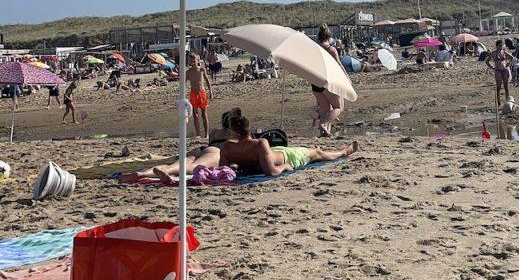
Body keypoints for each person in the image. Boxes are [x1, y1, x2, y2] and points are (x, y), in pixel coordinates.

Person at [121, 115, 358, 183]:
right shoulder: (261, 143)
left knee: (186, 164)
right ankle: (343, 152)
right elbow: (272, 172)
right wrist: (285, 165)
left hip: (216, 152)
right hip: (285, 156)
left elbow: (224, 167)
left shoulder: (225, 145)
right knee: (316, 152)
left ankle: (145, 173)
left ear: (233, 132)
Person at [312, 25, 344, 137]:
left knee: (326, 111)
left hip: (315, 83)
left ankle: (324, 134)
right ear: (329, 37)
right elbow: (339, 65)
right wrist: (347, 79)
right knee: (338, 107)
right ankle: (323, 124)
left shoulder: (314, 49)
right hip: (327, 82)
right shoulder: (331, 49)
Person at [187, 53, 213, 141]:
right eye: (190, 61)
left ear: (198, 61)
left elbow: (207, 81)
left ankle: (206, 134)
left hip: (202, 93)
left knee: (204, 114)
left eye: (194, 61)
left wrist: (211, 92)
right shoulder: (188, 72)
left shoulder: (202, 70)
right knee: (195, 114)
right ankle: (198, 134)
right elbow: (183, 83)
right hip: (193, 94)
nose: (192, 63)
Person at [487, 39, 513, 105]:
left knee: (506, 87)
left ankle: (507, 101)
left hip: (504, 70)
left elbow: (511, 57)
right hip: (498, 70)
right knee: (498, 87)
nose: (501, 46)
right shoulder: (494, 53)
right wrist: (492, 67)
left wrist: (508, 63)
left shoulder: (504, 52)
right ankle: (499, 102)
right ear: (496, 46)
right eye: (499, 45)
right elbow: (487, 61)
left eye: (501, 45)